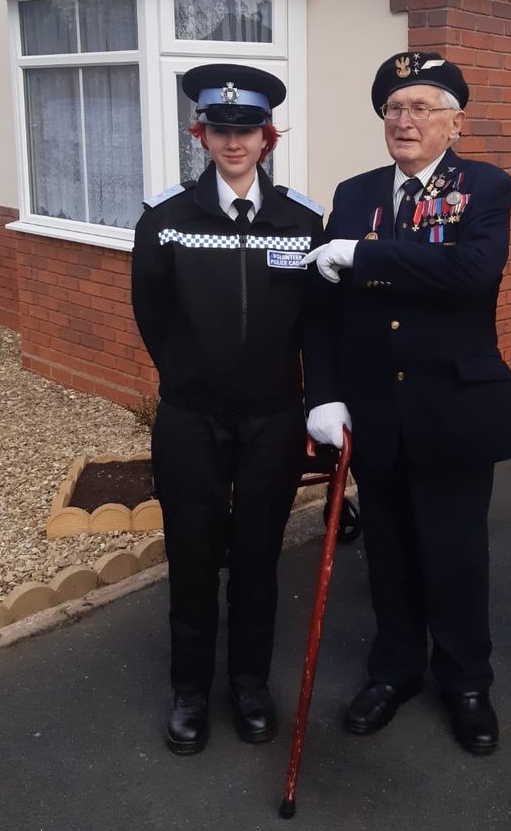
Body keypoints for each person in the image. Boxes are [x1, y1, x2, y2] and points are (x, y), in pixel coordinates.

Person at [303, 51, 511, 757]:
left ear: (456, 121)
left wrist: (363, 254)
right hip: (377, 410)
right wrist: (325, 394)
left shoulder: (483, 186)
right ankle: (395, 671)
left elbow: (470, 271)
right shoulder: (356, 190)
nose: (405, 120)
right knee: (390, 553)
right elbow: (328, 312)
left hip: (453, 406)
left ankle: (465, 682)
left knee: (455, 555)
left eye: (423, 106)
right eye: (394, 108)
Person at [130, 64, 326, 755]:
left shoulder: (301, 220)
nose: (234, 141)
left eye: (247, 129)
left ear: (266, 137)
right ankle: (190, 688)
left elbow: (315, 323)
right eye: (220, 128)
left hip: (274, 416)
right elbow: (152, 313)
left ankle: (247, 682)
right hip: (191, 416)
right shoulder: (167, 219)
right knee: (190, 553)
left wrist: (316, 402)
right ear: (201, 133)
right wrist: (191, 374)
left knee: (257, 558)